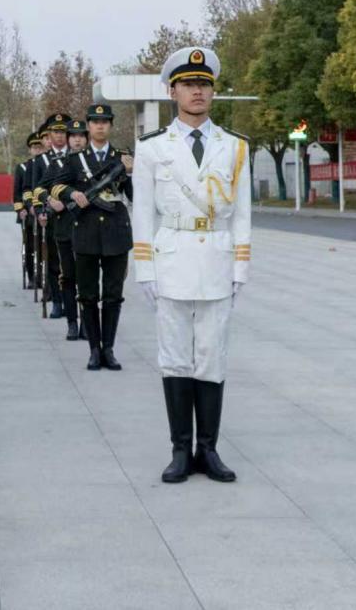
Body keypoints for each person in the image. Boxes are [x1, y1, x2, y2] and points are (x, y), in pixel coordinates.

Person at [132, 46, 250, 484]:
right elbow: (143, 213)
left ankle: (209, 450)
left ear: (213, 91)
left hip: (217, 259)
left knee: (212, 357)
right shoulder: (151, 148)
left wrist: (240, 268)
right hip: (172, 259)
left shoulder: (234, 146)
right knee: (175, 358)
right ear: (172, 91)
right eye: (188, 84)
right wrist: (145, 269)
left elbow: (242, 214)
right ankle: (180, 450)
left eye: (203, 84)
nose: (197, 91)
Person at [47, 104, 132, 371]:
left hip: (116, 232)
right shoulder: (75, 160)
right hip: (85, 231)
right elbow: (55, 186)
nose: (100, 126)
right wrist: (72, 193)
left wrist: (130, 172)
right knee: (88, 294)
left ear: (111, 125)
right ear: (89, 127)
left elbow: (134, 194)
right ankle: (94, 349)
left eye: (105, 121)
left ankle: (109, 349)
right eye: (95, 122)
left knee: (113, 295)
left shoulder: (122, 158)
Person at [40, 118, 89, 340]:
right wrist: (51, 200)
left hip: (88, 226)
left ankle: (87, 323)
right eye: (73, 136)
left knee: (87, 279)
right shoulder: (59, 163)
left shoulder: (93, 162)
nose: (77, 140)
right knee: (68, 277)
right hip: (64, 227)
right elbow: (41, 188)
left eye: (81, 136)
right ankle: (72, 322)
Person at [30, 114, 71, 319]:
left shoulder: (76, 156)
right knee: (53, 262)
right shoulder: (40, 161)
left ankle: (72, 301)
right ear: (49, 134)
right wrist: (41, 211)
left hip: (73, 216)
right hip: (52, 216)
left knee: (72, 263)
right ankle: (57, 301)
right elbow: (35, 190)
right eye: (56, 132)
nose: (60, 135)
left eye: (63, 131)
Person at [16, 131, 45, 289]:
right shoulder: (22, 167)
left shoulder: (46, 163)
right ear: (30, 149)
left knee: (42, 245)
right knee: (30, 246)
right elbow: (18, 192)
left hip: (42, 209)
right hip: (28, 213)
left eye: (40, 147)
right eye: (34, 147)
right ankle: (32, 277)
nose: (37, 150)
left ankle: (42, 276)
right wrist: (21, 209)